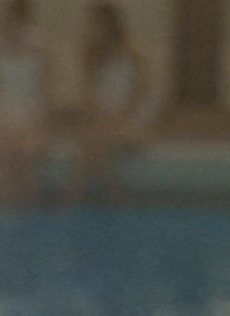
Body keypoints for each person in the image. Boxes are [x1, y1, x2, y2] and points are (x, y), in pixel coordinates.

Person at [65, 2, 149, 205]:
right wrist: (100, 117)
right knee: (91, 144)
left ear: (109, 26)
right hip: (103, 117)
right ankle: (116, 199)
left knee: (91, 146)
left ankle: (70, 202)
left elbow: (140, 91)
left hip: (130, 117)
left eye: (94, 24)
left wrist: (119, 119)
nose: (90, 29)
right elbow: (89, 96)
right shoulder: (90, 56)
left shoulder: (133, 52)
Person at [0, 0, 53, 213]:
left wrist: (44, 129)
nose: (14, 26)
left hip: (30, 115)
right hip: (1, 114)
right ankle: (6, 215)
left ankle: (28, 214)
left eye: (18, 21)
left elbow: (46, 94)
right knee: (3, 160)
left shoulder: (41, 50)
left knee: (27, 157)